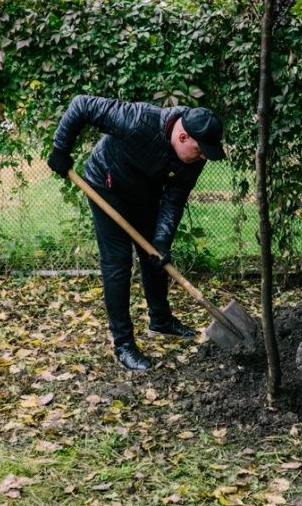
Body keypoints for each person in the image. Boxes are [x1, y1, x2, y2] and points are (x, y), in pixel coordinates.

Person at [47, 96, 226, 372]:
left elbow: (174, 200)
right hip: (107, 187)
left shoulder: (193, 159)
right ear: (182, 136)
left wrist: (162, 240)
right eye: (200, 151)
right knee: (117, 264)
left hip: (145, 195)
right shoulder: (137, 120)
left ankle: (161, 320)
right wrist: (61, 148)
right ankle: (124, 345)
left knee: (156, 255)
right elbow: (81, 105)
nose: (202, 157)